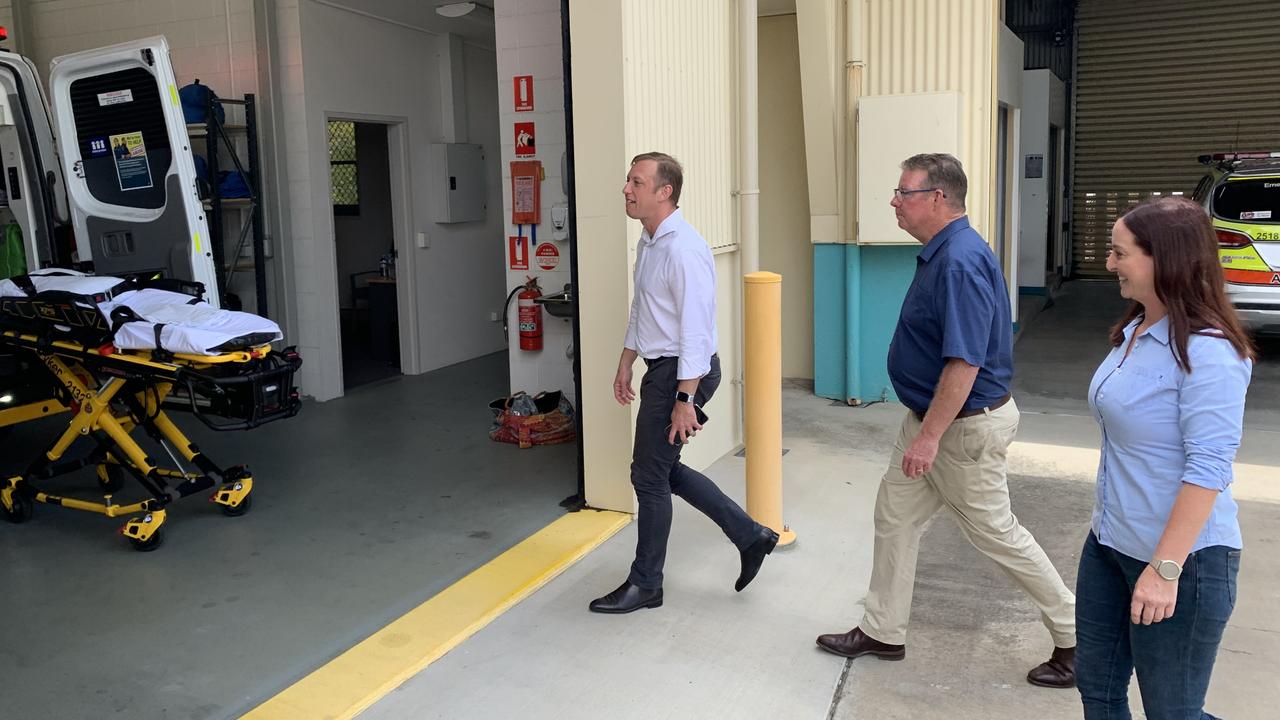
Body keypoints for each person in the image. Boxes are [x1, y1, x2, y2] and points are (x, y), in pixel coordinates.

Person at [815, 153, 1077, 688]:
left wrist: (930, 437)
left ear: (937, 198)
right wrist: (925, 429)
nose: (894, 201)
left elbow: (965, 361)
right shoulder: (944, 253)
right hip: (933, 422)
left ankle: (1077, 635)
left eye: (903, 191)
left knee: (997, 535)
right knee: (895, 517)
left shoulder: (959, 261)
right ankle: (883, 630)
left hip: (960, 430)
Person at [1075, 196, 1253, 719]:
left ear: (1165, 259)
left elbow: (1208, 470)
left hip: (1184, 563)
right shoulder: (1137, 332)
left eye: (1119, 253)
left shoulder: (1210, 353)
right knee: (1099, 692)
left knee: (1173, 713)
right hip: (1109, 544)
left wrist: (1164, 569)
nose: (1109, 265)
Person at [588, 152, 779, 614]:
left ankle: (646, 584)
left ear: (664, 191)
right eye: (628, 180)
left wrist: (683, 400)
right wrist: (626, 360)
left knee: (648, 475)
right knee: (662, 469)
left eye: (636, 182)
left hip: (683, 371)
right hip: (662, 368)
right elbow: (644, 310)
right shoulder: (650, 242)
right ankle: (751, 535)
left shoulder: (683, 248)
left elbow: (696, 332)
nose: (626, 189)